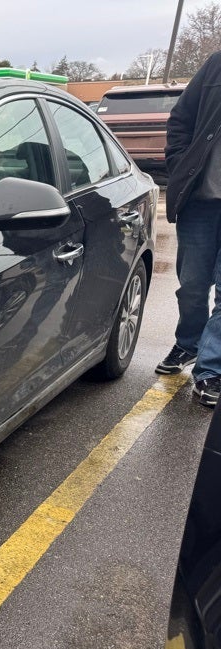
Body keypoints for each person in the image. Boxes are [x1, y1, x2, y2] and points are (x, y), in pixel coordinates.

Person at [158, 52, 221, 408]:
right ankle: (188, 344)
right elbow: (180, 118)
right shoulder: (215, 65)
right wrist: (180, 161)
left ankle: (210, 369)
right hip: (201, 201)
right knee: (193, 286)